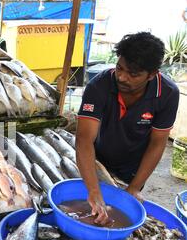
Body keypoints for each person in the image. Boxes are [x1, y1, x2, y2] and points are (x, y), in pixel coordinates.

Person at [76, 32, 180, 225]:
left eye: (133, 74)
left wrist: (134, 187)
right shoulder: (99, 86)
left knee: (121, 218)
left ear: (152, 75)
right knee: (91, 212)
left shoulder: (167, 93)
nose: (122, 77)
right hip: (97, 161)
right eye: (119, 68)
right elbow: (84, 139)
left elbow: (158, 143)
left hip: (134, 167)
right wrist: (93, 190)